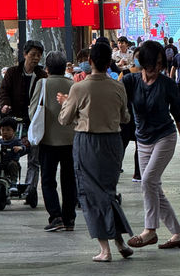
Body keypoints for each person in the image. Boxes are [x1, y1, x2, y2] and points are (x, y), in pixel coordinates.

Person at [57, 42, 133, 262]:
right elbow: (126, 117)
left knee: (91, 194)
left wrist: (65, 103)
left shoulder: (79, 88)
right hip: (112, 142)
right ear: (110, 62)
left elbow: (64, 119)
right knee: (108, 192)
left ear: (89, 61)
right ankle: (119, 241)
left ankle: (105, 248)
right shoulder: (118, 87)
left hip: (88, 142)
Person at [122, 41, 180, 251]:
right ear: (143, 63)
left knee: (148, 182)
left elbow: (179, 115)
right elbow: (112, 96)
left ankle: (149, 231)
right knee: (152, 187)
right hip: (142, 139)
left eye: (161, 64)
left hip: (165, 137)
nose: (157, 69)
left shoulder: (167, 84)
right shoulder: (131, 80)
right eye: (153, 65)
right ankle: (178, 235)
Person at [28, 51, 77, 232]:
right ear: (65, 67)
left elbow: (33, 111)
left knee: (48, 180)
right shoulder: (73, 85)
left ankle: (55, 216)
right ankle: (70, 217)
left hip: (48, 141)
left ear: (47, 68)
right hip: (71, 141)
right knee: (69, 180)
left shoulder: (43, 84)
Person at [0, 40, 46, 205]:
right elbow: (3, 90)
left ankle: (29, 190)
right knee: (11, 154)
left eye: (38, 55)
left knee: (34, 157)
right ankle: (8, 186)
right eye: (32, 54)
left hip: (34, 122)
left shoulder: (42, 76)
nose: (35, 58)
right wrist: (5, 105)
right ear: (25, 54)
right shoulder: (12, 72)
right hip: (15, 120)